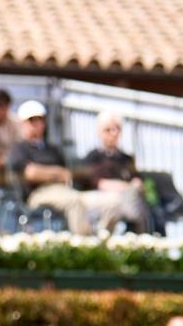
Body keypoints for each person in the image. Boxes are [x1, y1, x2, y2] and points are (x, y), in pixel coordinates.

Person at [8, 100, 127, 236]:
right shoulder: (19, 148)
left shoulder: (53, 149)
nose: (36, 123)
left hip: (65, 191)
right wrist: (56, 173)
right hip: (38, 194)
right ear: (22, 123)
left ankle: (103, 240)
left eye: (40, 119)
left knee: (113, 202)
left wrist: (48, 173)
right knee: (73, 202)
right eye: (31, 120)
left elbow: (66, 174)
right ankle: (84, 244)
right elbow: (31, 173)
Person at [80, 110, 151, 233]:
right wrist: (126, 187)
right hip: (103, 199)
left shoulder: (126, 158)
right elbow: (98, 183)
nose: (113, 133)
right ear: (99, 132)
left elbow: (138, 179)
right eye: (108, 130)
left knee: (139, 203)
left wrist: (136, 183)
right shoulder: (93, 157)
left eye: (116, 129)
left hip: (128, 198)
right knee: (118, 202)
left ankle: (141, 235)